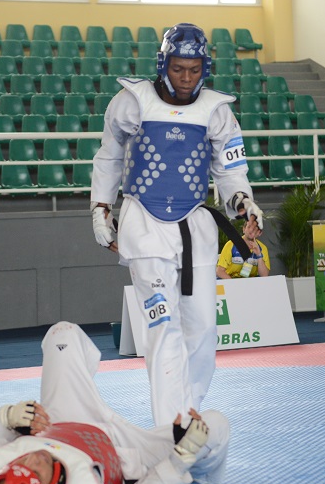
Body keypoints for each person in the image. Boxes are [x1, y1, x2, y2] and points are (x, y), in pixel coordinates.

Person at [90, 23, 264, 425]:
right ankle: (173, 429)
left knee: (203, 332)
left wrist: (245, 205)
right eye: (178, 68)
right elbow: (109, 157)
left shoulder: (217, 111)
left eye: (194, 69)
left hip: (195, 228)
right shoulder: (130, 101)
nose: (186, 78)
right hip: (144, 225)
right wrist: (100, 208)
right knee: (163, 328)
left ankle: (188, 414)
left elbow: (231, 172)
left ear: (205, 67)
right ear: (163, 63)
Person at [0, 321, 229, 484]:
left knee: (61, 333)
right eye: (37, 473)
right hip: (122, 454)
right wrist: (179, 460)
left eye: (21, 464)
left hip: (60, 421)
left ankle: (87, 389)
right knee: (213, 426)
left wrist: (6, 419)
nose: (32, 460)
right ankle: (204, 474)